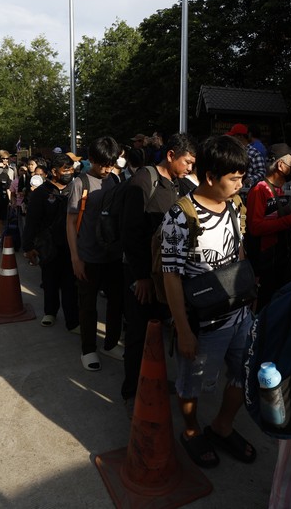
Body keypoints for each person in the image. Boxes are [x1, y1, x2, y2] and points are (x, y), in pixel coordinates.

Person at [161, 135, 257, 469]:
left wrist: (247, 294)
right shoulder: (179, 216)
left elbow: (238, 249)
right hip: (203, 323)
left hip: (240, 316)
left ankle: (221, 426)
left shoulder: (235, 205)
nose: (240, 185)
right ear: (211, 176)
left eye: (242, 177)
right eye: (234, 178)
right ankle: (191, 432)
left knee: (244, 372)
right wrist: (184, 331)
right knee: (192, 383)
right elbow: (171, 276)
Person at [120, 133, 197, 413]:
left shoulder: (181, 185)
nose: (190, 168)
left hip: (165, 274)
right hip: (142, 275)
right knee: (138, 333)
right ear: (171, 155)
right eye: (187, 162)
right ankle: (132, 392)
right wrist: (141, 276)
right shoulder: (143, 181)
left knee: (159, 332)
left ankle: (155, 379)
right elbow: (130, 232)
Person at [65, 136, 124, 371]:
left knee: (116, 303)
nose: (107, 169)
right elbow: (70, 223)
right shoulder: (80, 183)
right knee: (88, 305)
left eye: (111, 164)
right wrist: (75, 258)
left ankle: (111, 344)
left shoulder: (115, 180)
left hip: (113, 256)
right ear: (91, 159)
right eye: (102, 165)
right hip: (88, 256)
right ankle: (88, 349)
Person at [246, 143, 291, 309]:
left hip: (279, 258)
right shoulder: (259, 190)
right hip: (266, 262)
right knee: (265, 304)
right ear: (281, 165)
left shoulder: (279, 190)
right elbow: (255, 227)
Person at [22, 153, 79, 331]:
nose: (69, 173)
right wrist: (28, 247)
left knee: (70, 285)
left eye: (71, 169)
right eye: (66, 169)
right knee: (50, 281)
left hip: (71, 245)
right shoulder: (41, 193)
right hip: (48, 246)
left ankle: (73, 321)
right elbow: (31, 222)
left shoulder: (75, 189)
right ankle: (50, 312)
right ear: (54, 172)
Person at [225, 123, 265, 190]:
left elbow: (261, 172)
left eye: (233, 136)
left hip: (246, 191)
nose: (231, 139)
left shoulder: (254, 153)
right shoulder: (231, 152)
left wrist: (250, 179)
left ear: (240, 136)